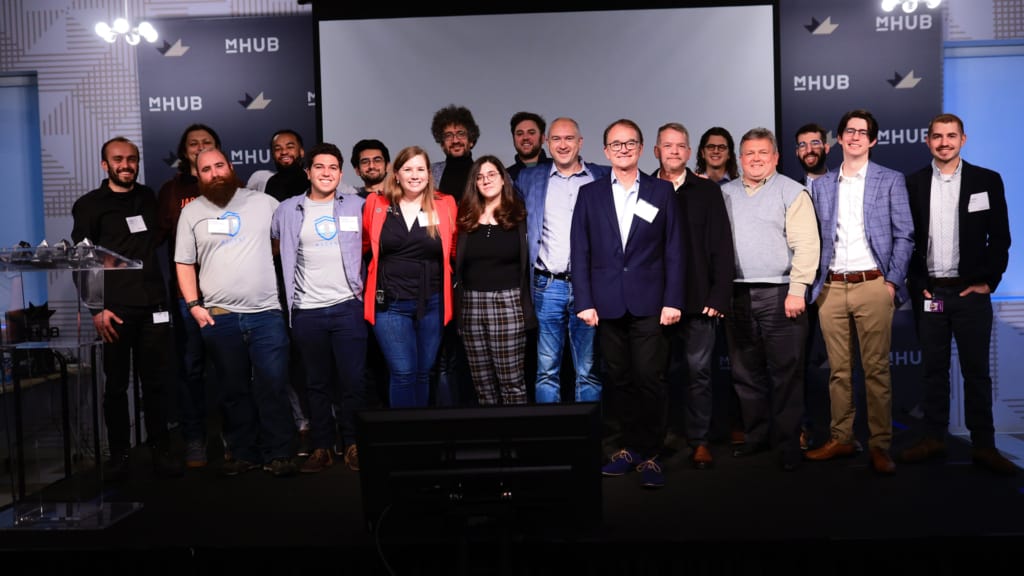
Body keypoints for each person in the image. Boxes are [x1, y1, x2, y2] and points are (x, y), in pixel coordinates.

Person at [900, 113, 1016, 476]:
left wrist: (989, 281)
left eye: (951, 136)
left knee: (977, 373)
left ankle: (984, 446)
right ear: (927, 140)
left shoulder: (987, 180)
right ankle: (934, 439)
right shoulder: (913, 183)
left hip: (970, 293)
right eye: (938, 136)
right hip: (931, 292)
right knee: (933, 372)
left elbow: (1000, 237)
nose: (944, 142)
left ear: (963, 139)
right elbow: (906, 238)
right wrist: (916, 284)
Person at [175, 147, 297, 478]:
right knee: (232, 390)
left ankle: (281, 453)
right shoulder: (191, 213)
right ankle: (244, 453)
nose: (215, 173)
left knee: (272, 385)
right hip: (219, 316)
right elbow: (184, 262)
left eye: (219, 166)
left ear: (231, 167)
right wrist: (193, 307)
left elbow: (280, 244)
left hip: (266, 313)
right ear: (197, 175)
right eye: (206, 169)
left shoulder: (263, 203)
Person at [574, 119, 683, 489]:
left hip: (652, 302)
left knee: (650, 379)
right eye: (615, 144)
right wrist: (584, 301)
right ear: (605, 152)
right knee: (619, 379)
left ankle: (652, 454)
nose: (623, 149)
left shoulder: (661, 191)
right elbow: (580, 250)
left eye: (629, 143)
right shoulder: (589, 195)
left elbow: (674, 249)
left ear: (640, 148)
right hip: (605, 303)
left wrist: (673, 300)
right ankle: (628, 450)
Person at [804, 109, 914, 476]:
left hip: (872, 285)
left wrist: (891, 283)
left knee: (877, 371)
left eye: (861, 132)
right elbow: (814, 239)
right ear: (838, 139)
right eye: (848, 131)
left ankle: (880, 445)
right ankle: (841, 438)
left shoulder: (891, 180)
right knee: (838, 371)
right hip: (831, 288)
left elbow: (904, 235)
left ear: (873, 140)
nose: (854, 137)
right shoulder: (821, 185)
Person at [71, 136, 181, 478]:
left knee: (157, 383)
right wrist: (96, 309)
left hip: (153, 306)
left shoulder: (149, 197)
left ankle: (161, 450)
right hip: (114, 310)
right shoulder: (89, 205)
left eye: (131, 159)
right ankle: (119, 456)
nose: (126, 165)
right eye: (118, 159)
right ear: (105, 165)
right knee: (116, 386)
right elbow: (82, 261)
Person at [720, 127, 820, 472]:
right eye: (749, 153)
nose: (756, 159)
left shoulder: (792, 192)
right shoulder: (725, 193)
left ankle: (789, 443)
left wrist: (798, 290)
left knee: (786, 373)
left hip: (781, 293)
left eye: (763, 153)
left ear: (775, 157)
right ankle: (755, 437)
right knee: (745, 373)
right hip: (736, 293)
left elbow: (807, 245)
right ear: (739, 158)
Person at [271, 142, 366, 473]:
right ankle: (322, 446)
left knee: (353, 381)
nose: (327, 173)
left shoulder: (357, 205)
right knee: (316, 382)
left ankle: (353, 443)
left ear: (341, 173)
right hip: (307, 310)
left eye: (333, 168)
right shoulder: (287, 210)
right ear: (307, 171)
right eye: (320, 167)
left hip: (348, 307)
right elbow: (271, 244)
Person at [651, 122, 735, 470]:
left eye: (680, 146)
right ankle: (663, 439)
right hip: (653, 301)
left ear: (689, 152)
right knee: (656, 375)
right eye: (667, 146)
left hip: (699, 300)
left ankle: (699, 440)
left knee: (699, 372)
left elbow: (721, 247)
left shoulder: (707, 191)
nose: (673, 151)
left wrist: (718, 296)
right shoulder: (641, 189)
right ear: (656, 151)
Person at [515, 117, 610, 404]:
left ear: (580, 142)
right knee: (546, 370)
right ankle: (550, 443)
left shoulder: (602, 177)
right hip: (548, 286)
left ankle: (588, 440)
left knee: (588, 370)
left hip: (589, 288)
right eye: (556, 139)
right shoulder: (529, 178)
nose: (563, 144)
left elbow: (643, 187)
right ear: (547, 143)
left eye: (569, 138)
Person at [362, 145, 458, 408]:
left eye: (420, 169)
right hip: (390, 304)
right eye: (408, 169)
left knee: (423, 373)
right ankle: (403, 442)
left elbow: (452, 250)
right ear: (396, 174)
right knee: (403, 373)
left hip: (433, 302)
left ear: (429, 173)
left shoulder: (445, 204)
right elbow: (363, 246)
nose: (414, 175)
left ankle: (420, 439)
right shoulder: (377, 204)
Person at [156, 123, 221, 468]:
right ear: (184, 152)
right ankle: (194, 439)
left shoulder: (230, 189)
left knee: (230, 369)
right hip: (188, 298)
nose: (199, 148)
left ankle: (231, 440)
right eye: (193, 144)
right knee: (191, 368)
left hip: (228, 296)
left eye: (206, 143)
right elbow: (155, 239)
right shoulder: (171, 190)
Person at [454, 156, 536, 405]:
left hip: (508, 304)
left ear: (503, 179)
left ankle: (517, 441)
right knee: (483, 385)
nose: (485, 180)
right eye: (479, 177)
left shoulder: (520, 215)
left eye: (491, 174)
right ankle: (492, 442)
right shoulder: (465, 217)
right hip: (471, 306)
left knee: (512, 383)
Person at [262, 128, 313, 455]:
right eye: (277, 147)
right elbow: (271, 236)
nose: (284, 152)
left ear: (302, 150)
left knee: (314, 355)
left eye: (290, 146)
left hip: (318, 278)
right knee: (289, 354)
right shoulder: (270, 186)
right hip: (280, 281)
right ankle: (300, 420)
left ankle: (324, 417)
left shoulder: (314, 180)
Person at [429, 105, 479, 406]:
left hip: (478, 272)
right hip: (441, 272)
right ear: (441, 142)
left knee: (473, 351)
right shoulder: (431, 174)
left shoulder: (486, 172)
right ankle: (449, 419)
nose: (455, 139)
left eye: (461, 134)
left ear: (471, 139)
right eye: (448, 135)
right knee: (444, 352)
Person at [794, 122, 832, 451]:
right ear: (796, 152)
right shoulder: (787, 188)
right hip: (802, 291)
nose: (809, 149)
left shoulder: (844, 185)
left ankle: (843, 433)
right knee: (801, 364)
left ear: (826, 148)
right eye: (803, 145)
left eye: (815, 143)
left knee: (841, 365)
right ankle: (803, 428)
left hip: (836, 286)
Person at [350, 138, 392, 411]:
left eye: (377, 160)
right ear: (356, 169)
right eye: (365, 161)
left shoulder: (402, 198)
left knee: (394, 361)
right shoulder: (348, 203)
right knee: (364, 362)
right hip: (358, 293)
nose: (371, 165)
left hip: (395, 293)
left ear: (387, 165)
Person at [264, 129, 307, 202]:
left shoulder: (312, 181)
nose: (284, 152)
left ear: (301, 152)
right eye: (278, 149)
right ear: (273, 155)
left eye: (290, 147)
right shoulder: (271, 183)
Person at [507, 111, 549, 181]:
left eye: (531, 133)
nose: (525, 137)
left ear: (542, 138)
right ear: (513, 139)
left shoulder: (559, 169)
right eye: (520, 134)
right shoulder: (505, 176)